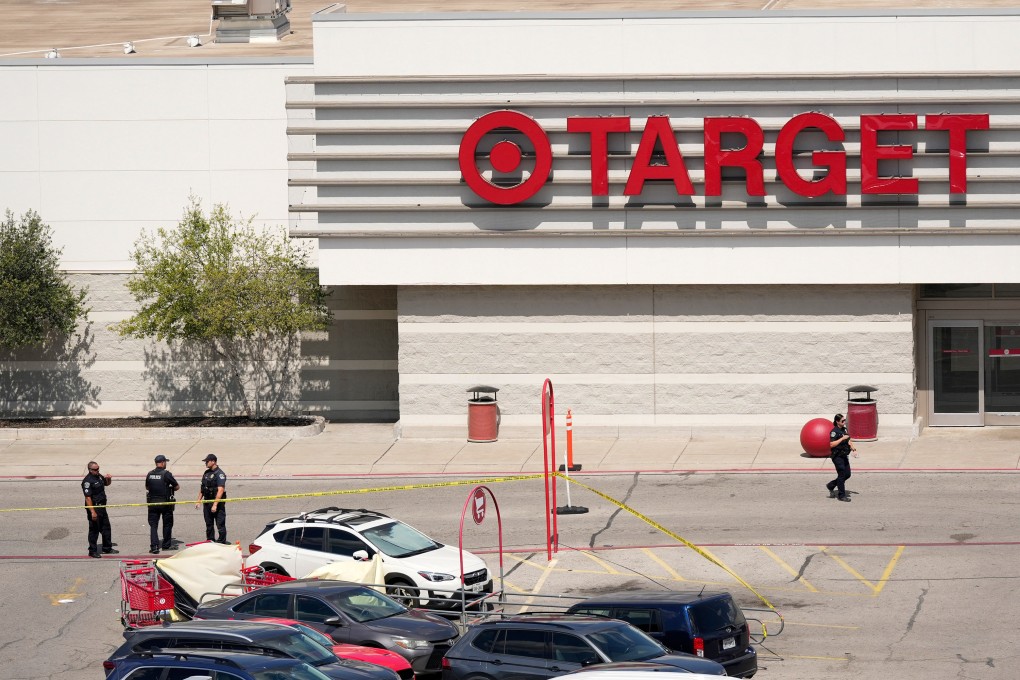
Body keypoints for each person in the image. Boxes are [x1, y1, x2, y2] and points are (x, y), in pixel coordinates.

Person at [145, 454, 180, 554]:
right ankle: (166, 545)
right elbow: (177, 487)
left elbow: (147, 487)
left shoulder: (150, 474)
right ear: (163, 462)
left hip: (152, 503)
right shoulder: (166, 474)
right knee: (167, 524)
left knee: (153, 526)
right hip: (165, 504)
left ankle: (154, 547)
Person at [81, 461, 118, 557]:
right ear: (90, 470)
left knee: (106, 528)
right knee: (94, 530)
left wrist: (109, 479)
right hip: (95, 507)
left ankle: (107, 548)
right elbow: (88, 498)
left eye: (98, 469)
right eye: (95, 469)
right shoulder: (87, 481)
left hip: (102, 507)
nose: (98, 471)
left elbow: (106, 483)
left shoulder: (99, 476)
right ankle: (92, 551)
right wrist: (92, 511)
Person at [196, 453, 227, 543]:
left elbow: (220, 490)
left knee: (220, 524)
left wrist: (215, 504)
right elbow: (202, 488)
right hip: (207, 502)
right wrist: (198, 501)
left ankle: (221, 542)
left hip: (217, 503)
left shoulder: (220, 474)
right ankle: (210, 540)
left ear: (213, 461)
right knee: (209, 524)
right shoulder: (206, 473)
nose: (205, 463)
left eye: (207, 461)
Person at [826, 413, 857, 502]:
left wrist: (854, 449)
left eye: (844, 420)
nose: (844, 422)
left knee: (847, 474)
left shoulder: (844, 429)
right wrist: (842, 439)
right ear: (837, 422)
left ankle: (831, 485)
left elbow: (849, 441)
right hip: (837, 456)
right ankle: (841, 495)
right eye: (842, 421)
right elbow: (831, 444)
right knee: (842, 474)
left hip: (844, 455)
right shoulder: (834, 432)